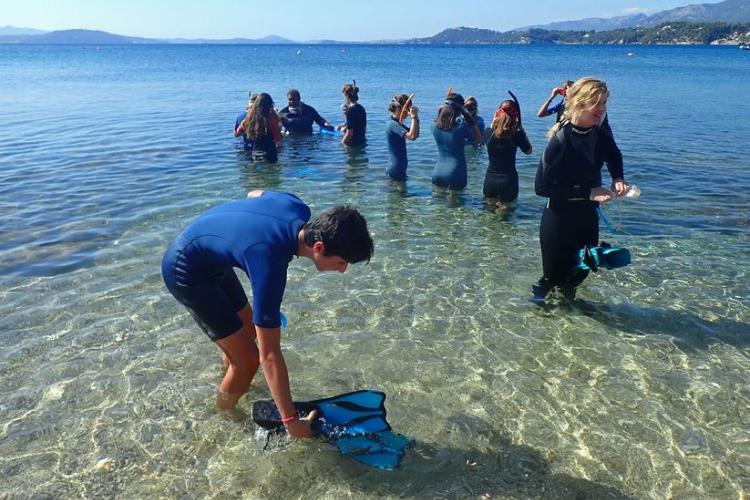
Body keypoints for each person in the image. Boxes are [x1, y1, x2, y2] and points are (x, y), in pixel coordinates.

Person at [162, 190, 374, 437]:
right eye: (341, 262)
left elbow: (255, 194)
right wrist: (291, 422)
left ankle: (233, 374)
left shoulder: (297, 207)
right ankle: (224, 413)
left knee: (248, 336)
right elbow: (270, 356)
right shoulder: (270, 262)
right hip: (185, 270)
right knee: (249, 360)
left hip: (210, 259)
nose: (343, 270)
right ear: (318, 247)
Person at [533, 77, 628, 302]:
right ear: (579, 103)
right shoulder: (560, 140)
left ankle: (569, 317)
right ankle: (539, 321)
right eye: (597, 103)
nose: (603, 109)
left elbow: (613, 153)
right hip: (559, 219)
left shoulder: (600, 130)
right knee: (552, 279)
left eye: (605, 102)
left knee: (582, 271)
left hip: (587, 216)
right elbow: (541, 187)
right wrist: (587, 192)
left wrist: (618, 178)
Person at [483, 99, 532, 207]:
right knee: (504, 219)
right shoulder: (516, 135)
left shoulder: (488, 132)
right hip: (508, 182)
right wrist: (521, 130)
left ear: (497, 113)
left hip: (490, 181)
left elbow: (494, 127)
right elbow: (528, 151)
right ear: (516, 116)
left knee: (488, 218)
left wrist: (496, 121)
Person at [431, 92, 482, 191]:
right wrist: (469, 119)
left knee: (437, 205)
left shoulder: (433, 126)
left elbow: (439, 118)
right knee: (456, 206)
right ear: (460, 110)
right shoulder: (462, 129)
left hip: (437, 172)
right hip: (456, 173)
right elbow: (478, 139)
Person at [235, 93, 282, 162]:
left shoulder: (249, 119)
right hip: (270, 153)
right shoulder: (271, 121)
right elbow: (278, 141)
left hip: (256, 152)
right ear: (269, 106)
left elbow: (237, 133)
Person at [385, 94, 420, 183]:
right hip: (395, 169)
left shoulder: (398, 124)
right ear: (398, 108)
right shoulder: (393, 124)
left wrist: (416, 118)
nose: (408, 111)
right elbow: (411, 136)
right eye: (407, 109)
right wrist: (413, 117)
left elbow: (415, 135)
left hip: (399, 169)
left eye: (409, 109)